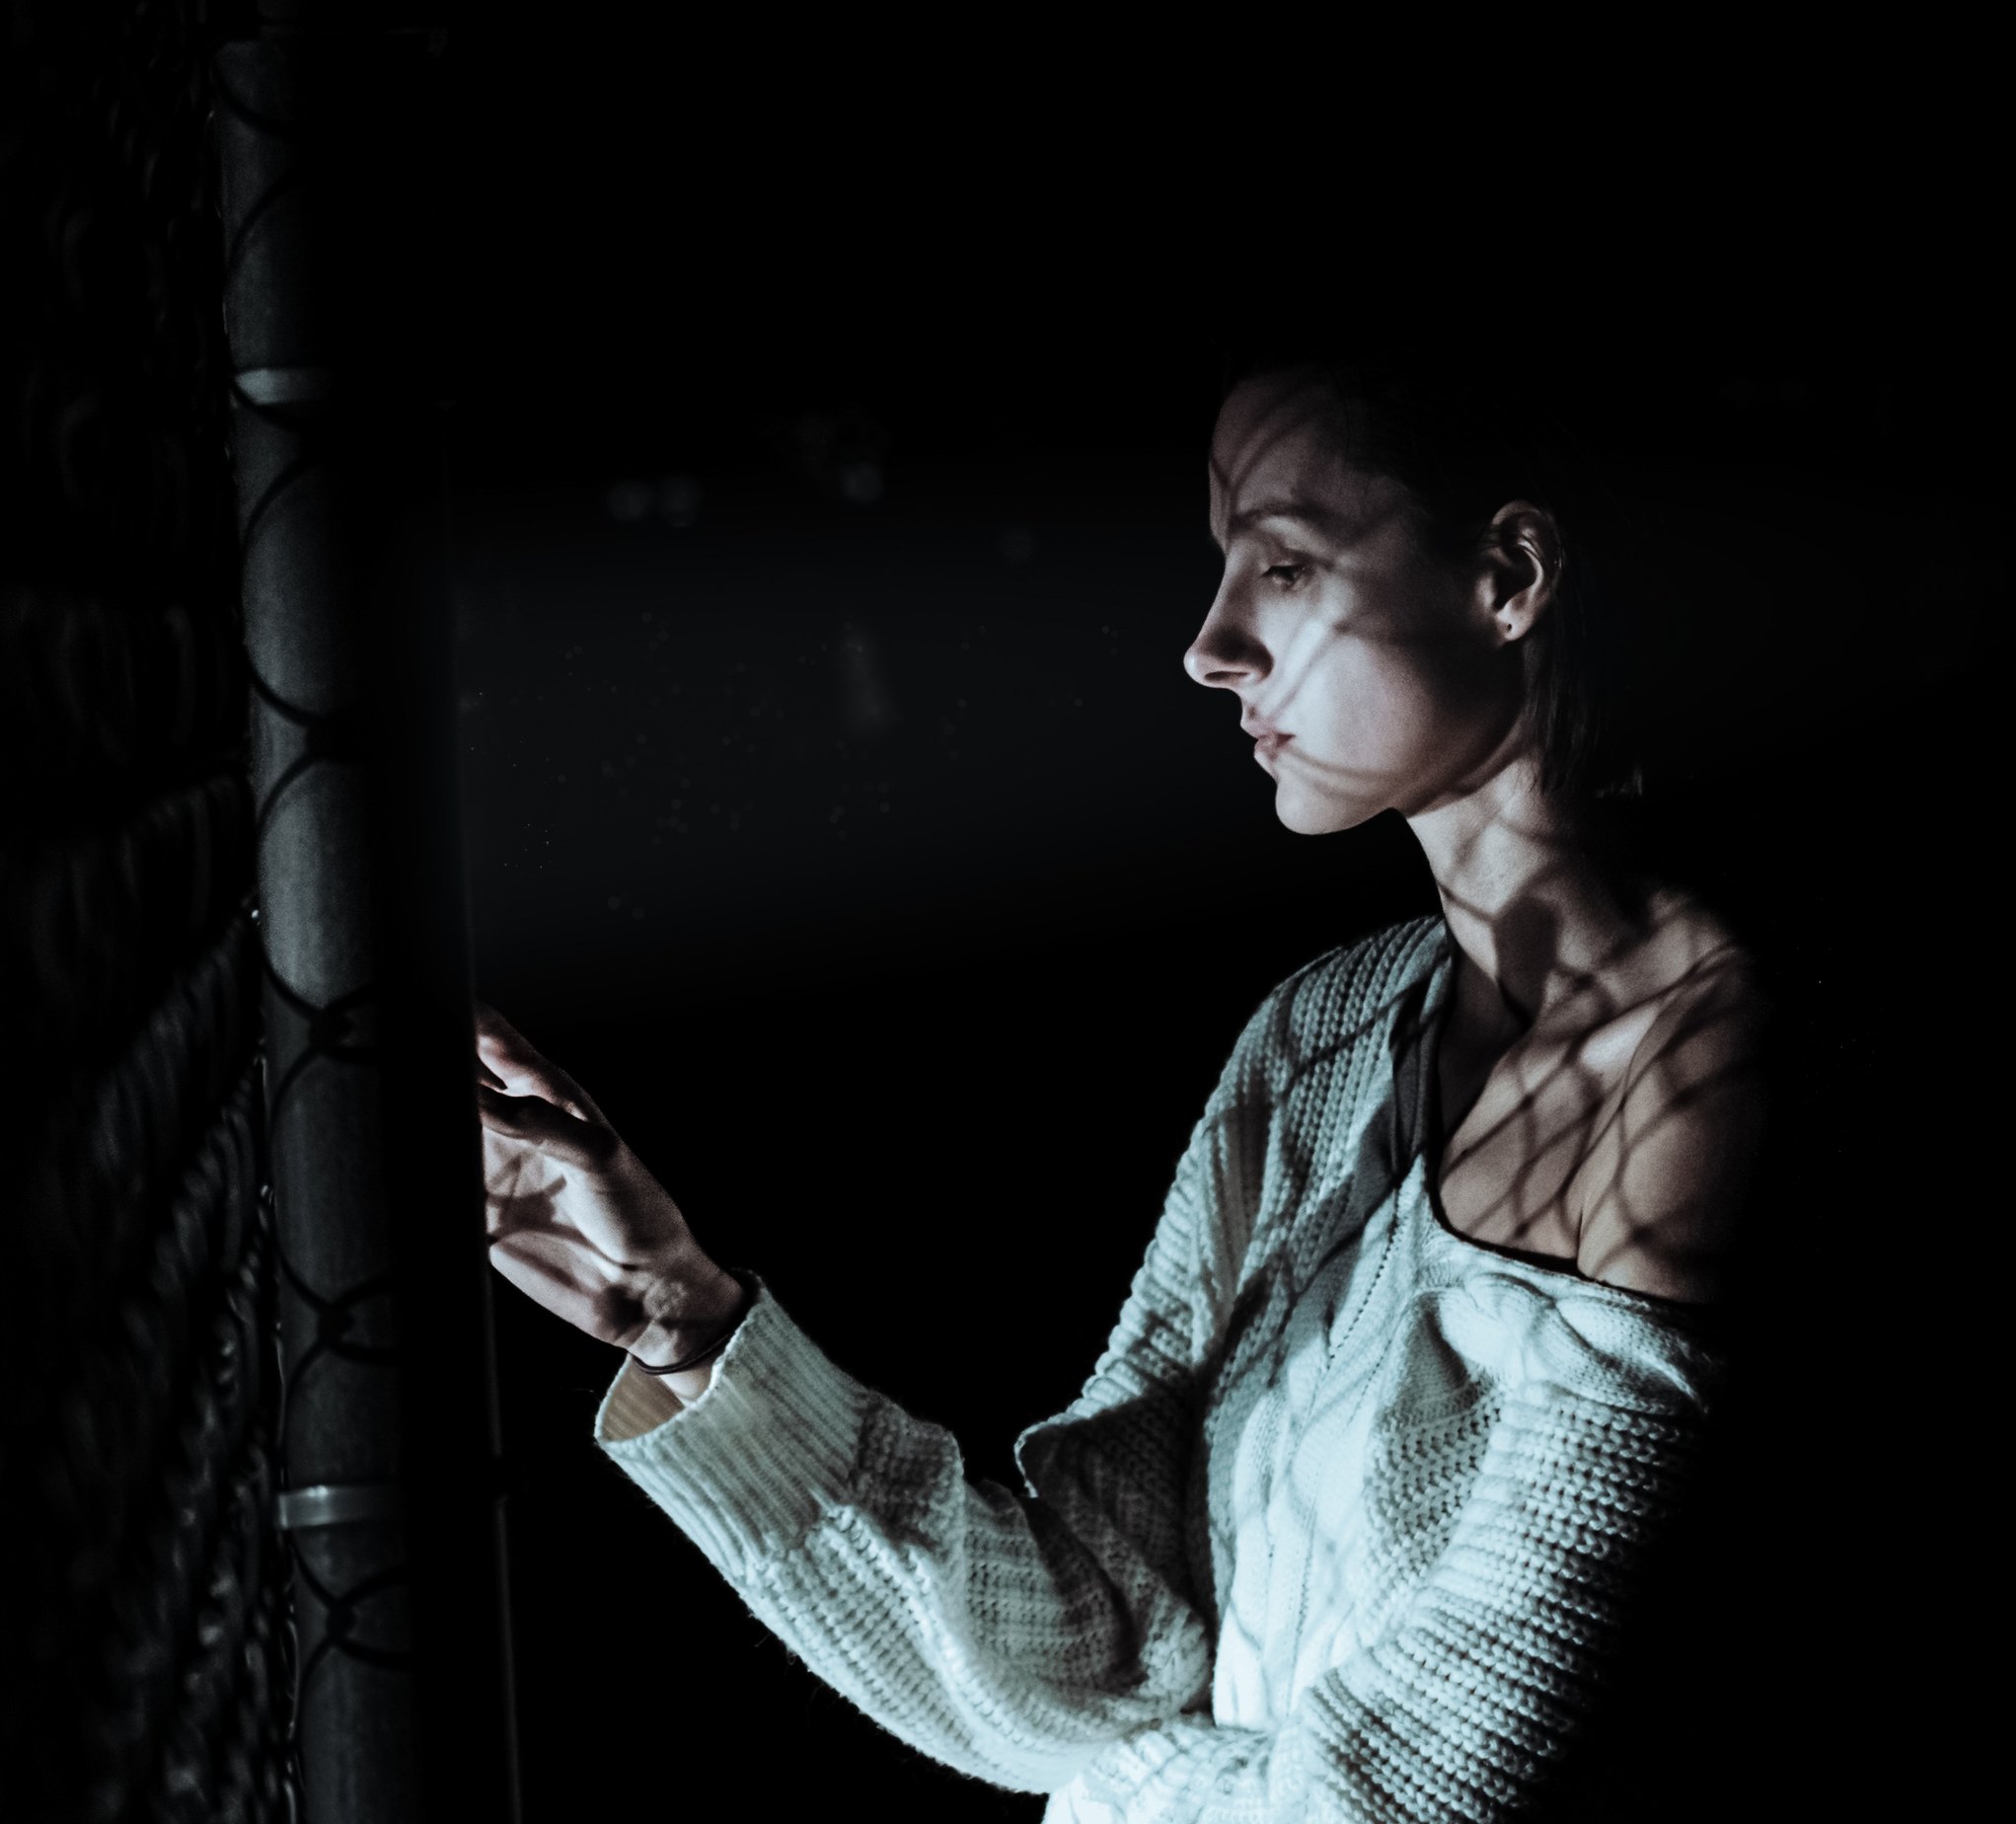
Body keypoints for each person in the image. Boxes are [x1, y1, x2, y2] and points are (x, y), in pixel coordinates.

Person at [472, 355, 1767, 1821]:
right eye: (1222, 569)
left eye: (1284, 564)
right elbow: (1091, 1648)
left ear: (1509, 576)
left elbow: (1422, 1788)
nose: (1212, 647)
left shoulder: (1708, 1061)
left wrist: (1117, 1792)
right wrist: (687, 1317)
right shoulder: (1321, 1041)